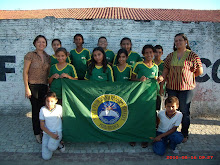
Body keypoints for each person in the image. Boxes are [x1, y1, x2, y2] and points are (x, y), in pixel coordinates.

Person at [158, 33, 203, 143]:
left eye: (180, 40)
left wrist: (188, 77)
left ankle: (184, 133)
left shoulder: (192, 55)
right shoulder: (170, 56)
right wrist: (162, 78)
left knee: (184, 111)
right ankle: (171, 131)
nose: (178, 42)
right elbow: (165, 71)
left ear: (185, 41)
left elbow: (199, 72)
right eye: (176, 41)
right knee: (172, 111)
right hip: (172, 87)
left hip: (186, 89)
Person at [23, 35, 50, 143]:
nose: (41, 44)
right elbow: (25, 72)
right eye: (39, 42)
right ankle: (37, 133)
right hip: (33, 86)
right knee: (35, 110)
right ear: (35, 43)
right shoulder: (30, 55)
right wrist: (26, 88)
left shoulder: (48, 57)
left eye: (43, 42)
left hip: (44, 85)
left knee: (43, 109)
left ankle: (43, 130)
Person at [131, 44, 158, 148]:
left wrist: (159, 80)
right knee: (136, 116)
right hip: (139, 95)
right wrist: (139, 80)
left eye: (151, 52)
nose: (149, 54)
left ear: (154, 53)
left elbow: (155, 81)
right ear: (143, 54)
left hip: (151, 97)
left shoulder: (155, 67)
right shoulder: (138, 65)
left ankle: (145, 138)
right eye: (146, 53)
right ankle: (133, 137)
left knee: (148, 118)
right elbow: (132, 79)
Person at [39, 92, 64, 160]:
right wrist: (51, 135)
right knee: (46, 157)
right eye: (47, 101)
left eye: (52, 101)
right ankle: (56, 143)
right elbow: (42, 126)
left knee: (51, 147)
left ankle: (58, 143)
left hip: (57, 132)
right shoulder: (42, 110)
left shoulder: (59, 108)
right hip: (47, 133)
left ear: (56, 101)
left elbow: (63, 120)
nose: (49, 103)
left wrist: (62, 136)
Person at [153, 45, 165, 110]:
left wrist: (162, 88)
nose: (157, 54)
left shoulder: (164, 64)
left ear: (162, 53)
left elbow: (165, 77)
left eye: (159, 52)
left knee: (158, 105)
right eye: (156, 52)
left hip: (160, 87)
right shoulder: (150, 63)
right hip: (151, 88)